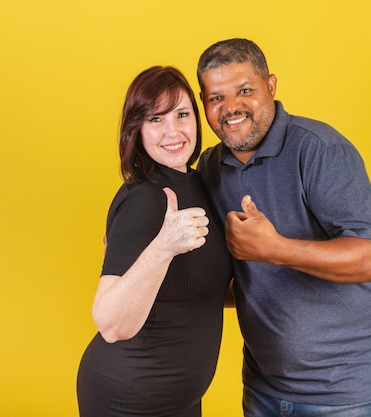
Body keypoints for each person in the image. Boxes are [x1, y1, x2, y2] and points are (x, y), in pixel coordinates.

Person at [195, 38, 371, 417]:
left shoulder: (319, 150)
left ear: (271, 86)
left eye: (245, 90)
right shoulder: (210, 168)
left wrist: (274, 249)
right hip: (265, 385)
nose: (230, 108)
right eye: (216, 98)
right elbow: (231, 281)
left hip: (351, 389)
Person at [76, 66, 233, 417]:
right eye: (156, 119)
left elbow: (194, 288)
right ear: (137, 131)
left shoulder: (196, 183)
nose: (173, 131)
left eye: (182, 114)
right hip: (130, 399)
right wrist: (164, 246)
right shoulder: (144, 198)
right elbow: (111, 323)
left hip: (179, 399)